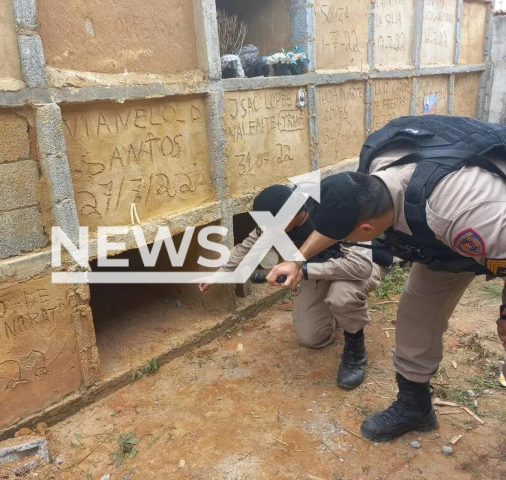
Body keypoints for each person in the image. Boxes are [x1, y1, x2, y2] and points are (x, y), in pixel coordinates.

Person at [266, 115, 506, 442]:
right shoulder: (374, 173)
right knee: (416, 311)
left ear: (366, 231)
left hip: (490, 222)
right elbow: (340, 219)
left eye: (347, 237)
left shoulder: (464, 214)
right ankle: (415, 406)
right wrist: (297, 260)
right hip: (445, 242)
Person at [201, 184, 391, 389]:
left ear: (291, 216)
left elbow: (359, 267)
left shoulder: (333, 213)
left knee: (342, 296)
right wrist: (220, 273)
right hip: (319, 269)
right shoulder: (275, 221)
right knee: (311, 338)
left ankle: (355, 349)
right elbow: (248, 246)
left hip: (360, 267)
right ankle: (337, 312)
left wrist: (305, 271)